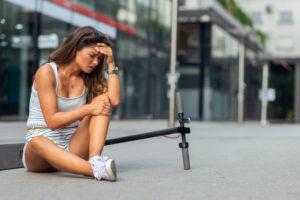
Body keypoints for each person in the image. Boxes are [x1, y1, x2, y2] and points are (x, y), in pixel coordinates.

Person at [22, 26, 121, 182]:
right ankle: (94, 170)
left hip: (73, 146)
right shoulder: (47, 72)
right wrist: (88, 108)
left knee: (102, 101)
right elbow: (52, 121)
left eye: (99, 59)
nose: (95, 62)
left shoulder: (89, 80)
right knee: (37, 141)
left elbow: (114, 100)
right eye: (92, 56)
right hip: (40, 153)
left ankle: (95, 160)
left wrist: (111, 63)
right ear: (76, 49)